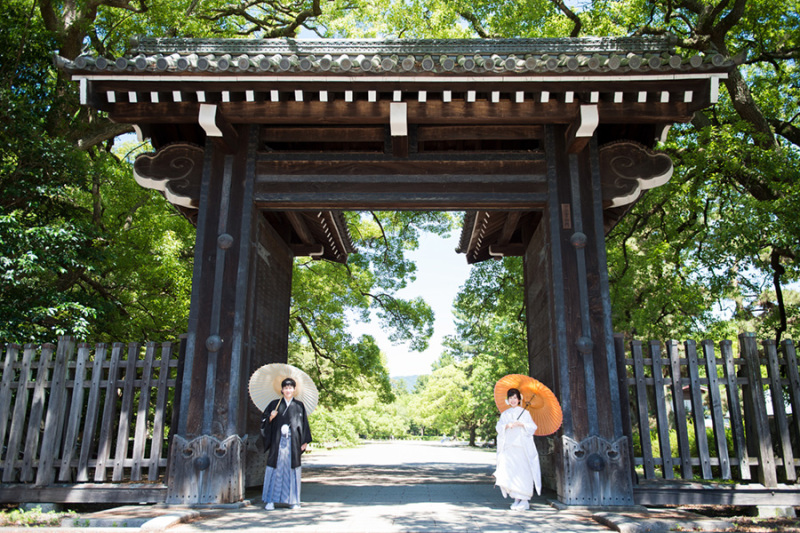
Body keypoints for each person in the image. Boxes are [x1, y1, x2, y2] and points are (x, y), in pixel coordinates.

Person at [260, 377, 312, 510]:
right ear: (281, 390)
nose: (288, 390)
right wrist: (270, 418)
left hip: (293, 442)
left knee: (292, 469)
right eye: (285, 388)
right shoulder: (274, 404)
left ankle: (293, 500)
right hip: (278, 441)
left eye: (290, 388)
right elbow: (264, 422)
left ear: (294, 390)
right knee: (275, 468)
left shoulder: (299, 405)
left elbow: (304, 424)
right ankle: (270, 500)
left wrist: (305, 441)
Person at [493, 387, 541, 510]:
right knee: (512, 471)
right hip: (510, 447)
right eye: (510, 398)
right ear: (508, 400)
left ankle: (524, 499)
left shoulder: (525, 413)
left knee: (523, 471)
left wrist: (522, 424)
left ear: (519, 399)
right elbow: (499, 427)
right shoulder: (505, 414)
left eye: (515, 398)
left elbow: (533, 427)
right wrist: (506, 426)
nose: (513, 400)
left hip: (522, 447)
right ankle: (516, 498)